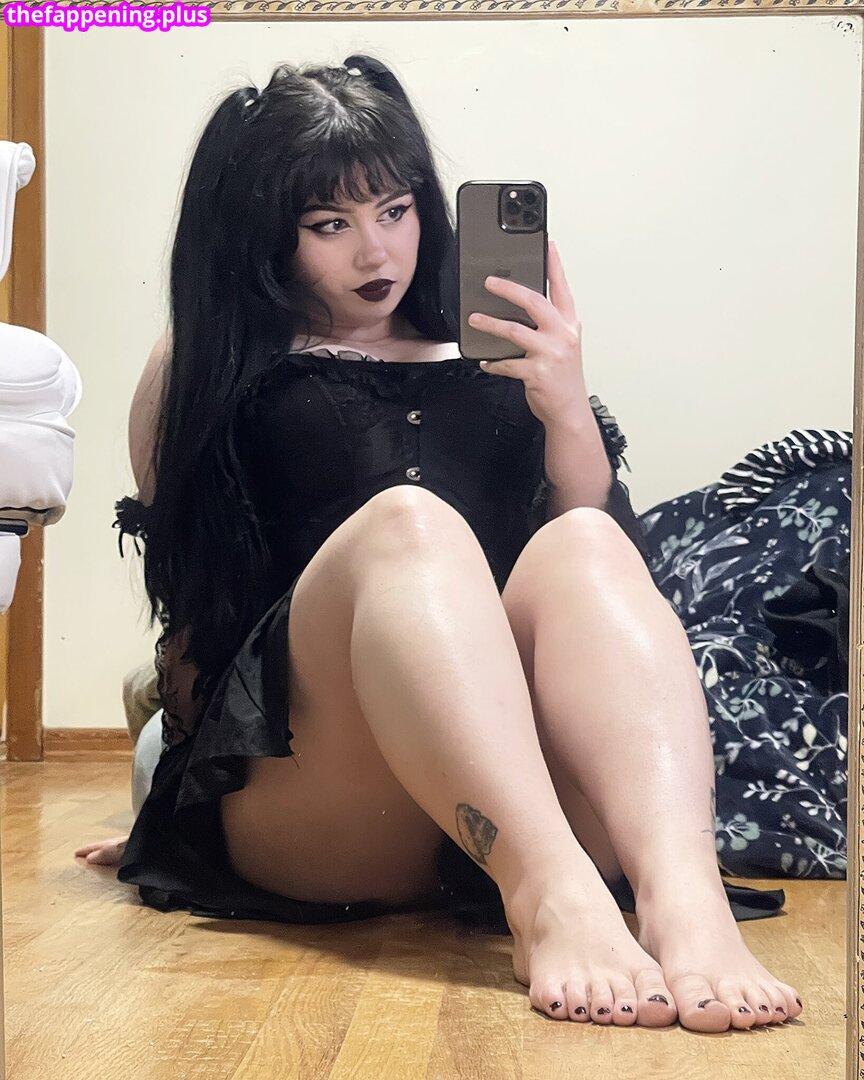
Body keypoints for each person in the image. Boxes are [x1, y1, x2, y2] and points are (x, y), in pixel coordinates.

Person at [76, 55, 802, 1032]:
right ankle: (552, 899)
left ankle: (685, 902)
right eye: (330, 224)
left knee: (585, 541)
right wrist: (165, 819)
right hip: (330, 799)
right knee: (408, 523)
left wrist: (565, 402)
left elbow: (603, 565)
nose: (376, 251)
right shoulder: (214, 363)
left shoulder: (494, 345)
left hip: (520, 790)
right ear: (263, 233)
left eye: (396, 209)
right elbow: (196, 601)